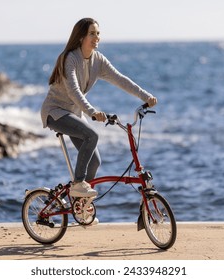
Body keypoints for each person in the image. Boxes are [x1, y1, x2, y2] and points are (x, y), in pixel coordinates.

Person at [41, 18, 157, 198]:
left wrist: (145, 96)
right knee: (92, 135)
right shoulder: (69, 58)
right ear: (81, 37)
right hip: (55, 112)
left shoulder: (98, 60)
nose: (97, 37)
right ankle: (78, 184)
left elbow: (120, 79)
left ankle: (80, 205)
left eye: (98, 33)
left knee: (94, 161)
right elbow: (74, 91)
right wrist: (92, 112)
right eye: (92, 34)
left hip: (74, 113)